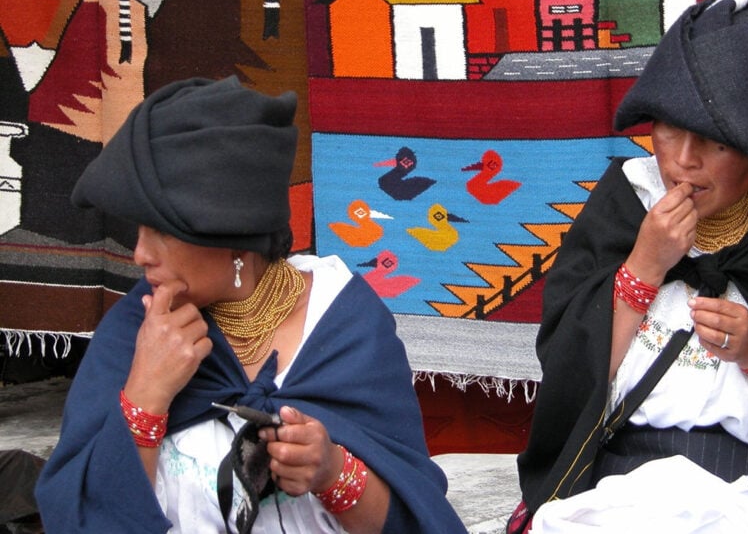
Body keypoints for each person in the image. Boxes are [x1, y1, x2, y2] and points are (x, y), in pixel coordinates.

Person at [508, 0, 748, 534]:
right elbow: (567, 373)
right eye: (668, 129)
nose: (683, 161)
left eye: (712, 141)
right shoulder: (621, 206)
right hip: (619, 478)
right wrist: (643, 268)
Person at [35, 76, 467, 534]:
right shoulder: (134, 335)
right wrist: (145, 395)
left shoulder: (347, 327)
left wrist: (333, 472)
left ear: (233, 237)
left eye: (160, 231)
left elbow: (415, 520)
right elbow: (78, 517)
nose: (140, 254)